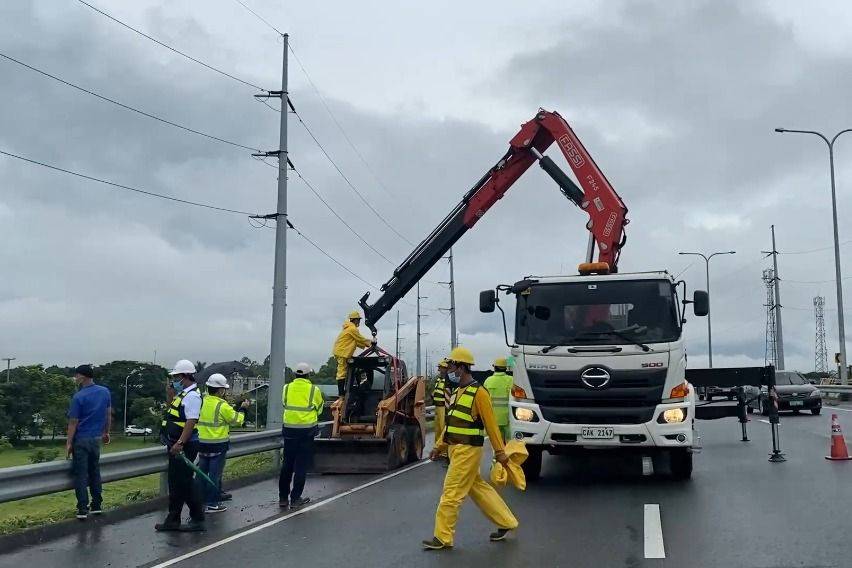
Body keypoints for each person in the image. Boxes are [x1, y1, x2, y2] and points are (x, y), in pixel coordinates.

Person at [423, 347, 518, 551]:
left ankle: (442, 537)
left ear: (461, 367)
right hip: (455, 449)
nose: (449, 370)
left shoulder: (480, 393)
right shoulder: (457, 392)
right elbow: (450, 424)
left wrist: (500, 453)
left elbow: (491, 426)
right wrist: (439, 446)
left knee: (451, 493)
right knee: (479, 489)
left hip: (468, 451)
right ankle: (507, 522)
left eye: (451, 366)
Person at [155, 359, 205, 532]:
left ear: (185, 377)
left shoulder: (192, 396)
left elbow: (191, 422)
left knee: (183, 483)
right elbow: (172, 415)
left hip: (184, 445)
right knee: (179, 483)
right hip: (177, 443)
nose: (174, 381)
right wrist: (169, 397)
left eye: (176, 377)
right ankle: (174, 518)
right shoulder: (182, 395)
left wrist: (180, 443)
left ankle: (195, 518)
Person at [197, 373, 250, 514]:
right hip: (218, 445)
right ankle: (212, 503)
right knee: (215, 475)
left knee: (201, 473)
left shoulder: (201, 401)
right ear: (220, 390)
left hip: (202, 443)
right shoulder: (222, 405)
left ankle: (199, 501)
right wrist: (243, 408)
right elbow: (237, 420)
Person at [65, 364, 112, 520]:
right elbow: (108, 414)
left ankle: (82, 508)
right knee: (94, 472)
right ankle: (97, 505)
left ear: (83, 377)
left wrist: (69, 443)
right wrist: (106, 432)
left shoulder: (79, 397)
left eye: (77, 375)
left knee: (81, 474)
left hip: (81, 439)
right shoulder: (104, 392)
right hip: (96, 439)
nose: (75, 378)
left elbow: (73, 422)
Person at [279, 363, 324, 510]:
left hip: (289, 431)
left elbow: (284, 404)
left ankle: (283, 498)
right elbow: (320, 408)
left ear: (295, 375)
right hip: (306, 432)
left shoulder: (286, 388)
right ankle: (295, 498)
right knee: (300, 465)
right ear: (308, 375)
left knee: (287, 464)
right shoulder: (313, 390)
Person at [332, 310, 376, 397]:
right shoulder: (352, 329)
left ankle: (344, 392)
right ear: (355, 320)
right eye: (358, 319)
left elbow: (357, 342)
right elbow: (360, 339)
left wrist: (368, 344)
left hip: (342, 352)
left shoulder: (348, 329)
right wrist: (372, 343)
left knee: (343, 371)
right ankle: (341, 394)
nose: (359, 321)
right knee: (341, 373)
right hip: (342, 352)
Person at [484, 357, 513, 443]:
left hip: (493, 417)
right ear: (505, 368)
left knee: (496, 442)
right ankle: (509, 455)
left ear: (494, 367)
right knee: (509, 441)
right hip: (508, 417)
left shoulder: (488, 381)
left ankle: (496, 456)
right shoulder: (511, 380)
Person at [432, 359, 450, 459]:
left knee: (443, 429)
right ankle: (438, 450)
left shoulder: (447, 381)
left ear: (445, 369)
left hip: (443, 407)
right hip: (437, 407)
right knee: (437, 430)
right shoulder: (439, 380)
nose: (439, 370)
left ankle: (445, 451)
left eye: (441, 368)